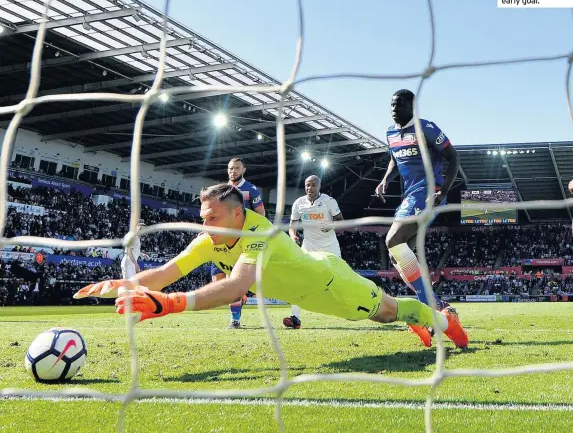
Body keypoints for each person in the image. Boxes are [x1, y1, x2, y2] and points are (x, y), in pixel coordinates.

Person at [74, 184, 468, 350]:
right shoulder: (209, 237)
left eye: (210, 217)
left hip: (331, 283)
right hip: (309, 285)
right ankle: (421, 317)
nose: (202, 223)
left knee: (386, 313)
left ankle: (443, 320)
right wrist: (125, 282)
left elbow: (236, 287)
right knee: (386, 313)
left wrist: (168, 304)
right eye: (201, 216)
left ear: (235, 214)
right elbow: (166, 272)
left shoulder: (260, 234)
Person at [375, 89, 461, 348]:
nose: (394, 107)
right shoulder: (391, 133)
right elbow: (394, 158)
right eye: (391, 103)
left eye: (399, 103)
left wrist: (443, 191)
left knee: (392, 239)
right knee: (398, 255)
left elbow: (453, 157)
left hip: (427, 194)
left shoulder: (427, 129)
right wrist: (385, 179)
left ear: (413, 105)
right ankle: (439, 308)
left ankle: (432, 305)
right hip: (408, 196)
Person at [211, 157, 265, 329]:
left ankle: (235, 321)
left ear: (244, 170)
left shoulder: (250, 190)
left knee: (230, 280)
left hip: (240, 241)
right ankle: (240, 296)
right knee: (217, 282)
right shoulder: (222, 190)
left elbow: (261, 214)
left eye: (236, 168)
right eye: (230, 168)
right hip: (222, 239)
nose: (232, 171)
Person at [284, 175, 344, 329]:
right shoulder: (299, 203)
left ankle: (350, 307)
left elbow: (340, 220)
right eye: (307, 185)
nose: (309, 188)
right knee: (297, 278)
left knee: (339, 279)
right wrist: (293, 236)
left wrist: (330, 226)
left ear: (319, 186)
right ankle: (295, 318)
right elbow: (292, 225)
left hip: (330, 246)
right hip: (309, 246)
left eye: (312, 185)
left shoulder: (329, 201)